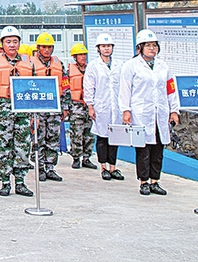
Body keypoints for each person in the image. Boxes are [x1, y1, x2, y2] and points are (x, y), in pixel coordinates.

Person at [119, 29, 180, 196]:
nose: (152, 49)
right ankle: (144, 182)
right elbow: (125, 89)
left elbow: (171, 89)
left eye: (154, 46)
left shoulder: (163, 66)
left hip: (160, 112)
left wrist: (174, 110)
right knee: (143, 149)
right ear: (140, 47)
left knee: (158, 148)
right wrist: (126, 110)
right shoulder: (130, 66)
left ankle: (155, 181)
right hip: (141, 112)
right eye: (148, 46)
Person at [0, 26, 35, 197]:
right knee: (3, 147)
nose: (12, 45)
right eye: (8, 42)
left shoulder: (29, 63)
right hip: (2, 111)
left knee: (22, 147)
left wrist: (34, 115)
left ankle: (20, 182)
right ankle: (5, 182)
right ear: (2, 44)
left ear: (19, 43)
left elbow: (34, 88)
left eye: (15, 41)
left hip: (23, 112)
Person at [83, 33, 125, 181]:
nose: (106, 49)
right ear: (98, 48)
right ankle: (103, 167)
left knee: (115, 137)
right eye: (103, 46)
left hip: (116, 106)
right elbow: (89, 87)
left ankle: (113, 166)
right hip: (101, 106)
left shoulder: (120, 65)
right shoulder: (94, 66)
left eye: (108, 46)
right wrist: (90, 106)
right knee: (102, 137)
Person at [30, 32, 65, 182]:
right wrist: (31, 113)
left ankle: (50, 167)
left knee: (53, 139)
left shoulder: (59, 64)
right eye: (44, 47)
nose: (47, 50)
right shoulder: (30, 64)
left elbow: (65, 85)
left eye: (49, 47)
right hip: (38, 109)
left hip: (54, 107)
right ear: (38, 48)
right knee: (39, 139)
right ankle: (40, 167)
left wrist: (66, 107)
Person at [64, 43, 97, 170]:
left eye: (84, 54)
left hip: (88, 106)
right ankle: (76, 158)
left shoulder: (91, 70)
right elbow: (66, 90)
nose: (83, 57)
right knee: (76, 133)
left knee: (89, 133)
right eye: (80, 55)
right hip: (76, 106)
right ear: (74, 57)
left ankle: (87, 158)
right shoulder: (68, 72)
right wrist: (66, 107)